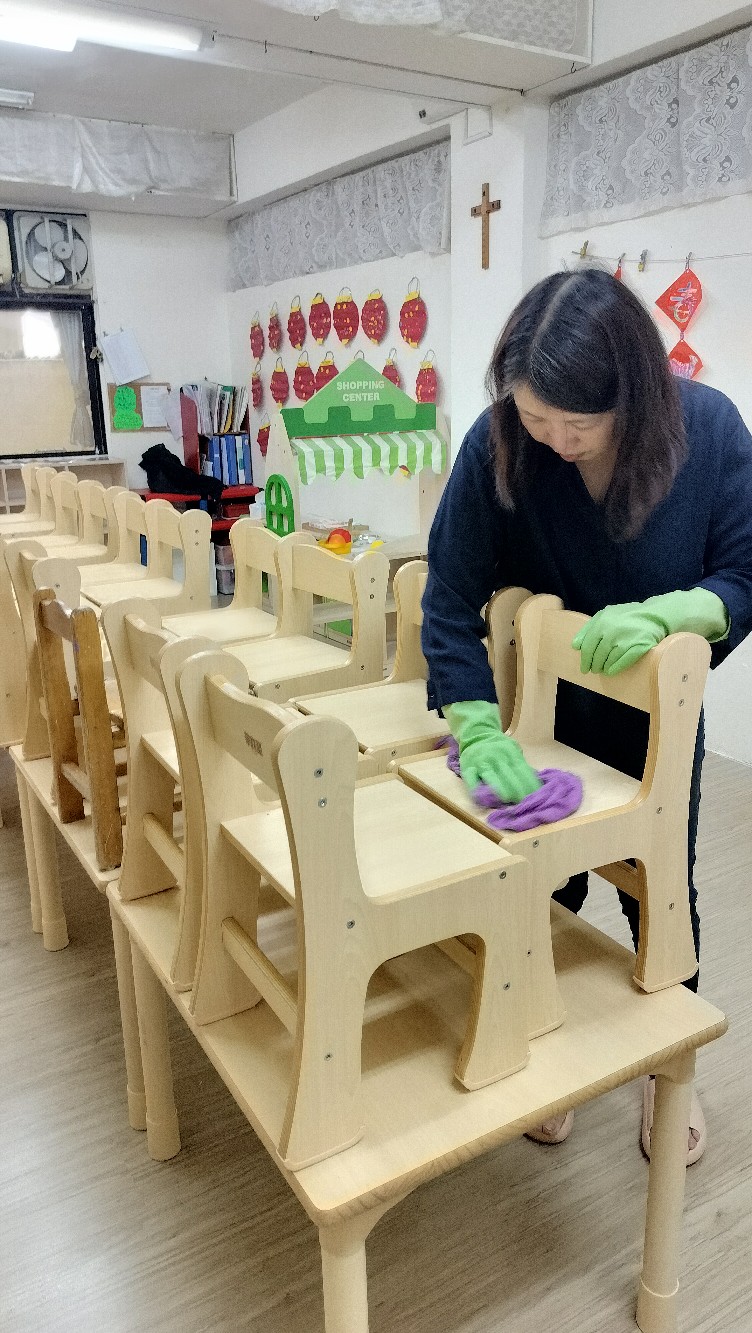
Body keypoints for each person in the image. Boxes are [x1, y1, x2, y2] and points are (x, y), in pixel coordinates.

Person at [421, 268, 752, 1165]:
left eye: (580, 424)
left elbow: (745, 572)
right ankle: (545, 1045)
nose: (557, 441)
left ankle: (669, 1066)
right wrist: (474, 721)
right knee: (540, 883)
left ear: (633, 396)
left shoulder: (711, 431)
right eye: (538, 417)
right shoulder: (502, 442)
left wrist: (687, 610)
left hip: (656, 726)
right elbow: (449, 594)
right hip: (538, 717)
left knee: (662, 889)